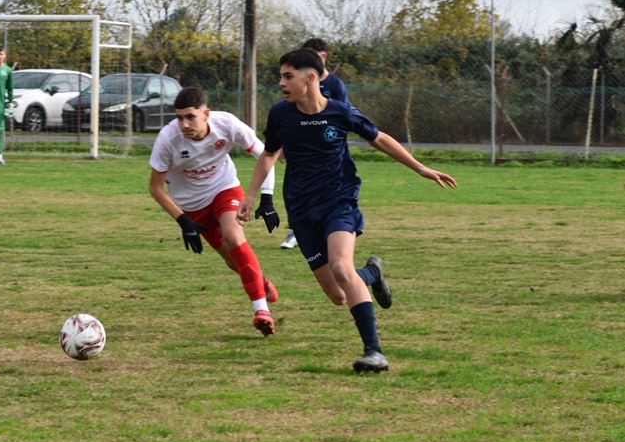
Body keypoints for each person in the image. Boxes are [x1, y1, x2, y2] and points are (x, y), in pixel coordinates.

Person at [237, 49, 456, 372]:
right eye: (281, 76)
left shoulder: (339, 112)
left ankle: (374, 352)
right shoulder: (280, 114)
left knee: (341, 266)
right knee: (338, 295)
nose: (281, 83)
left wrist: (420, 168)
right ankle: (372, 274)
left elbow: (379, 138)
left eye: (288, 76)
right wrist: (251, 195)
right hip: (301, 209)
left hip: (338, 201)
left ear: (310, 78)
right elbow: (269, 154)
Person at [149, 87, 281, 337]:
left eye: (190, 117)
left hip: (224, 188)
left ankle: (261, 310)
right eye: (179, 118)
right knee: (232, 260)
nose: (184, 124)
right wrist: (183, 221)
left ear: (206, 113)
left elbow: (266, 154)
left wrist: (266, 197)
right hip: (191, 206)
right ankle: (261, 282)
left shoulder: (227, 124)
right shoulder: (168, 139)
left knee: (234, 237)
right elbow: (155, 188)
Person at [280, 38, 349, 250]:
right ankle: (296, 230)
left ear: (323, 57)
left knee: (328, 192)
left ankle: (333, 228)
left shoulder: (335, 86)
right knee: (295, 187)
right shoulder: (294, 88)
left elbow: (345, 121)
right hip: (301, 152)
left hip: (328, 155)